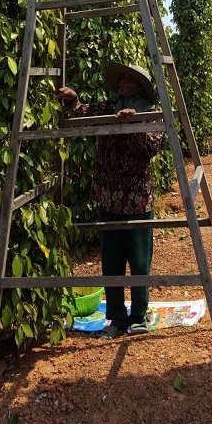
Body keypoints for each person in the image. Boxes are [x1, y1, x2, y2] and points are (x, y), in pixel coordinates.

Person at [57, 62, 162, 338]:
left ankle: (138, 316)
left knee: (140, 261)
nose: (124, 82)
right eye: (122, 79)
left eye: (131, 79)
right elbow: (83, 112)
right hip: (108, 198)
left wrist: (134, 124)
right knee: (112, 261)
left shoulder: (150, 114)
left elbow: (151, 146)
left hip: (137, 200)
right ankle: (116, 317)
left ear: (140, 86)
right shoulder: (109, 107)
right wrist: (73, 99)